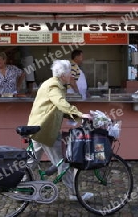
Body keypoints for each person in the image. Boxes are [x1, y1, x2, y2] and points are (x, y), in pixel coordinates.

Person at [27, 59, 93, 201]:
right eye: (70, 72)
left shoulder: (55, 84)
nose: (71, 76)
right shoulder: (54, 86)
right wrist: (81, 114)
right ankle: (74, 193)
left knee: (31, 162)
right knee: (63, 161)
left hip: (39, 128)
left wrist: (76, 117)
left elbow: (56, 109)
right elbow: (61, 104)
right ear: (63, 74)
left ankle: (15, 185)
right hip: (44, 130)